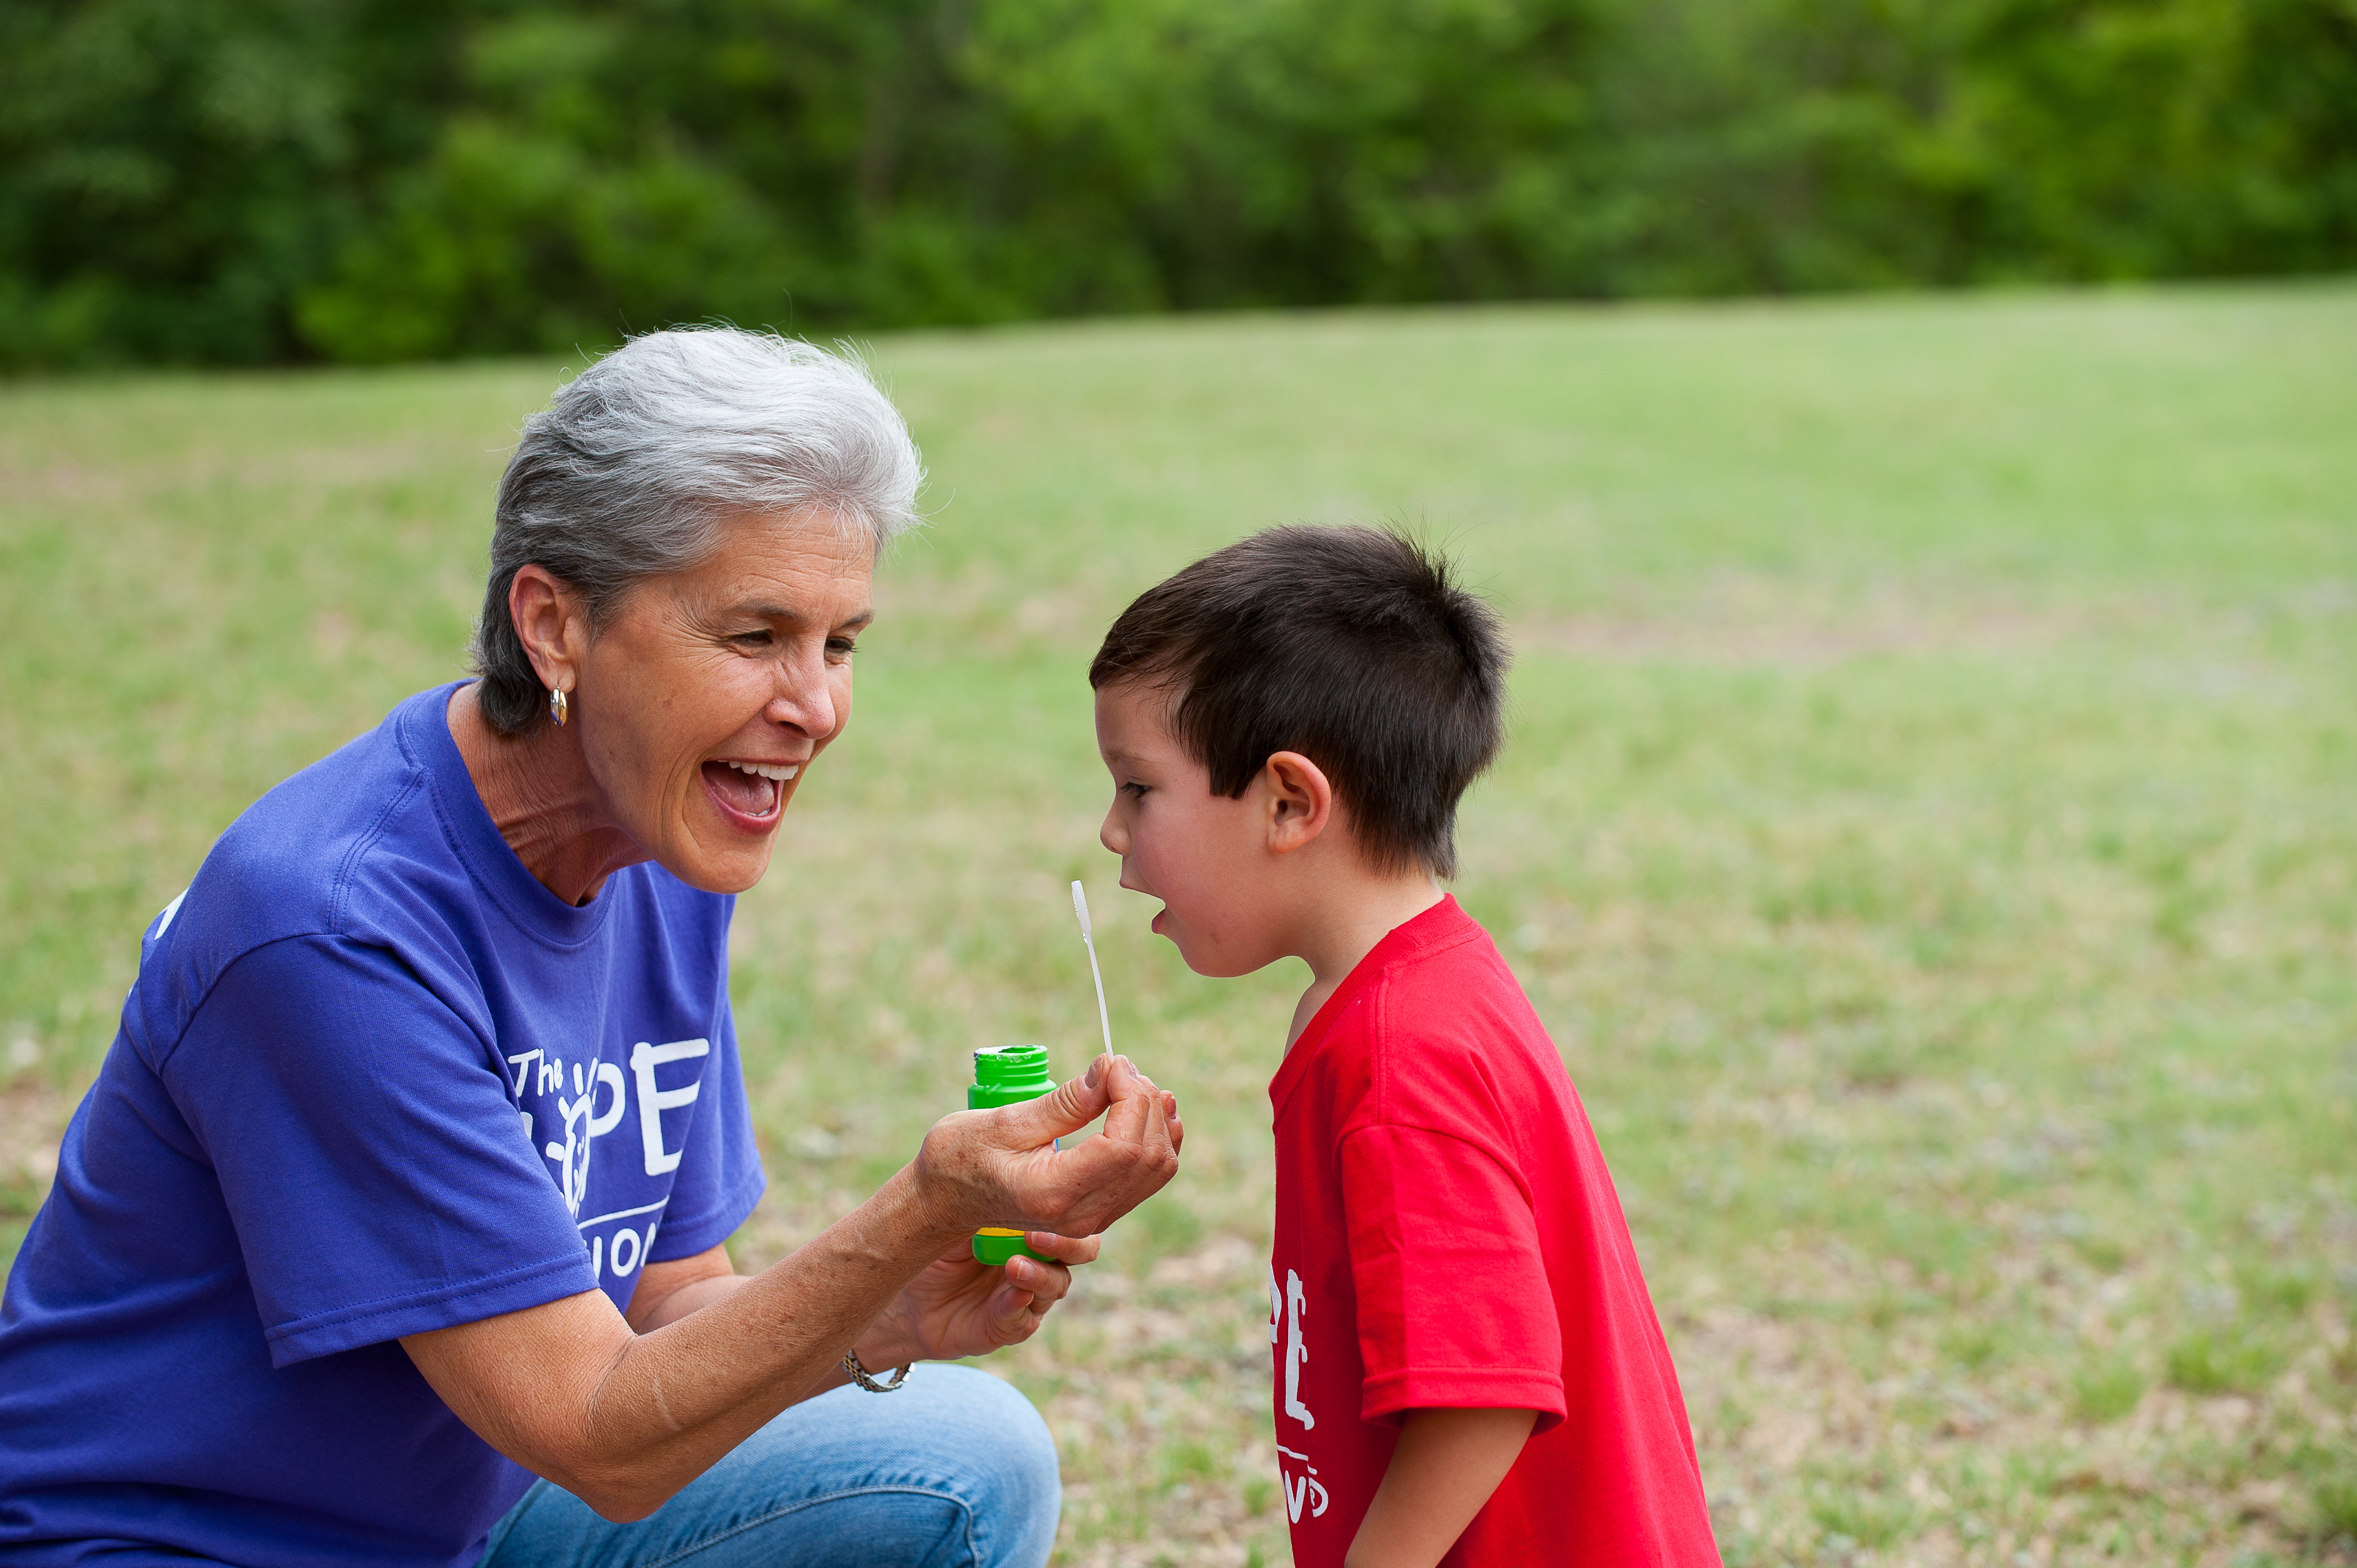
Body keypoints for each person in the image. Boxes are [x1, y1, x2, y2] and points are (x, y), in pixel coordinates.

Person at [0, 328, 1183, 1568]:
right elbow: (598, 1430)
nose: (816, 706)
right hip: (191, 1545)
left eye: (839, 643)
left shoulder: (658, 840)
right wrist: (916, 1208)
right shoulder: (333, 930)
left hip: (477, 1512)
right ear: (555, 627)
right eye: (754, 635)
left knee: (964, 1456)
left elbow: (670, 1304)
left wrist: (899, 1305)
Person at [1086, 525, 1719, 1568]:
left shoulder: (1399, 1056)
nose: (1112, 829)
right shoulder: (1413, 987)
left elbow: (1482, 1397)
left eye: (1138, 788)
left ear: (1290, 803)